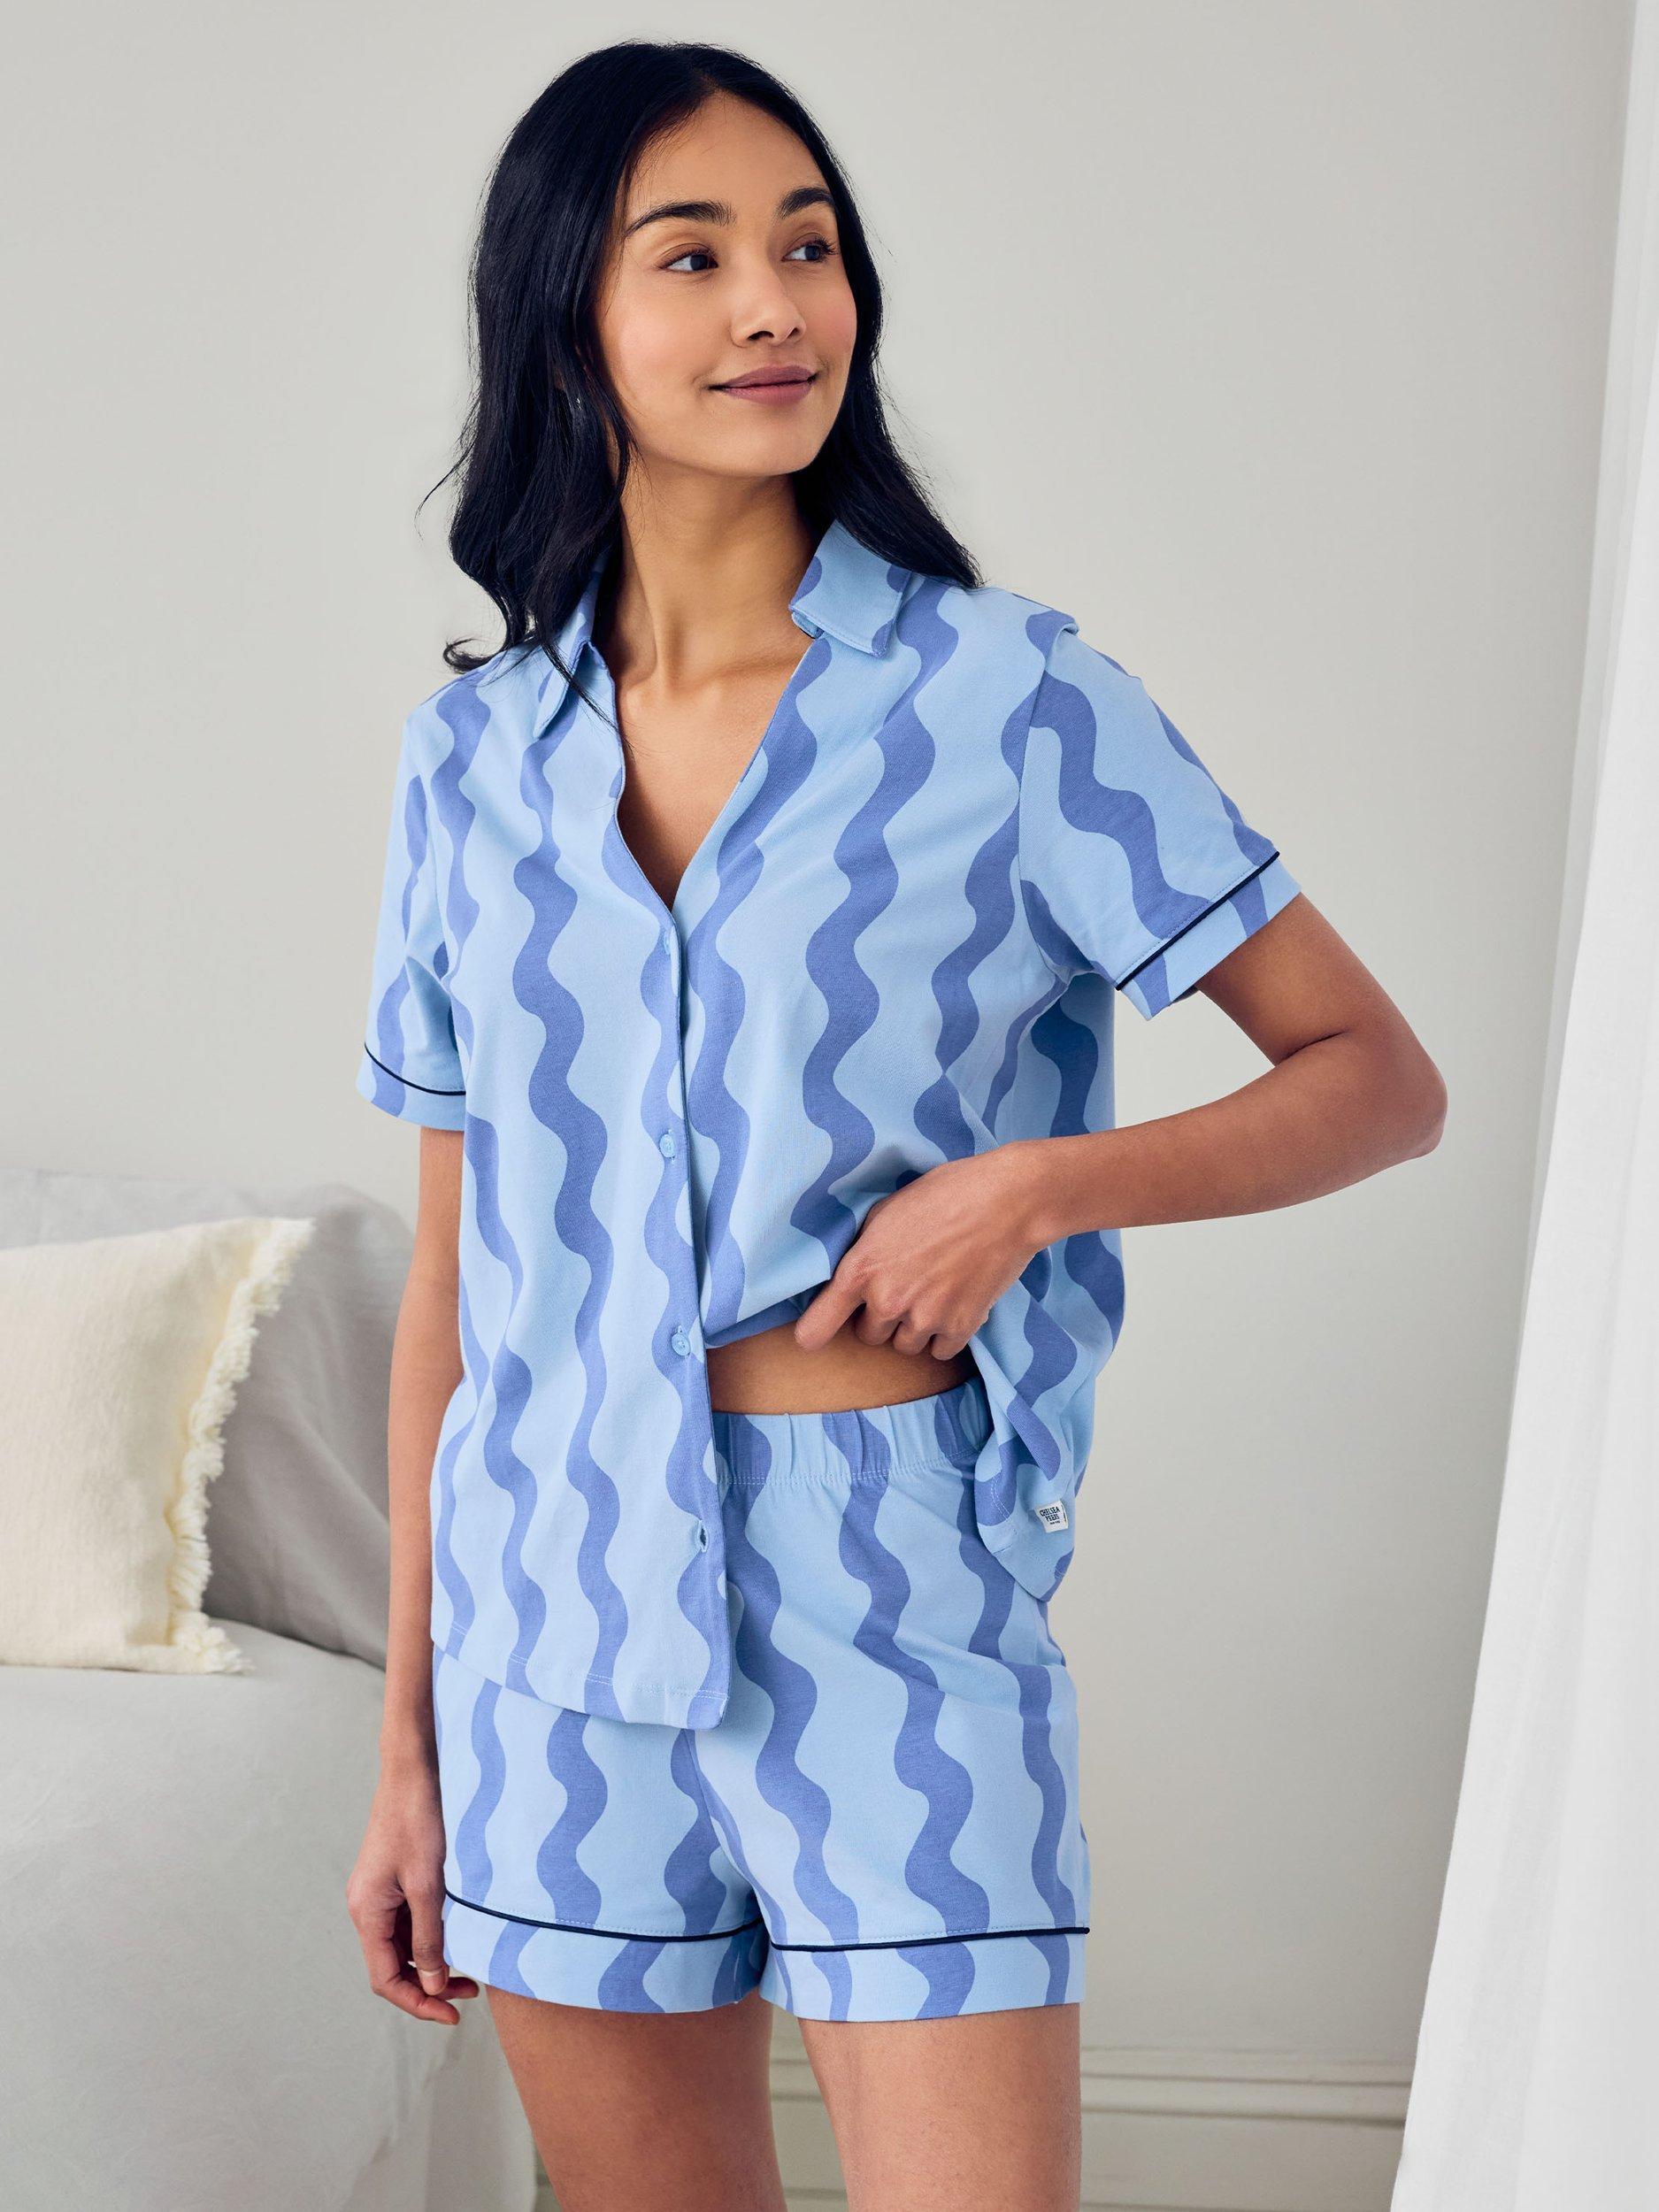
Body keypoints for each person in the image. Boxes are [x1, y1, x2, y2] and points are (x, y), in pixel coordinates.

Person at [344, 38, 1446, 2212]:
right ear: (565, 318)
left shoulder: (1007, 699)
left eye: (810, 245)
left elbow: (1370, 1076)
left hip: (887, 1588)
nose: (776, 304)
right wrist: (407, 1743)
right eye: (693, 256)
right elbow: (453, 1292)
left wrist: (1034, 1186)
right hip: (546, 1626)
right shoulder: (467, 764)